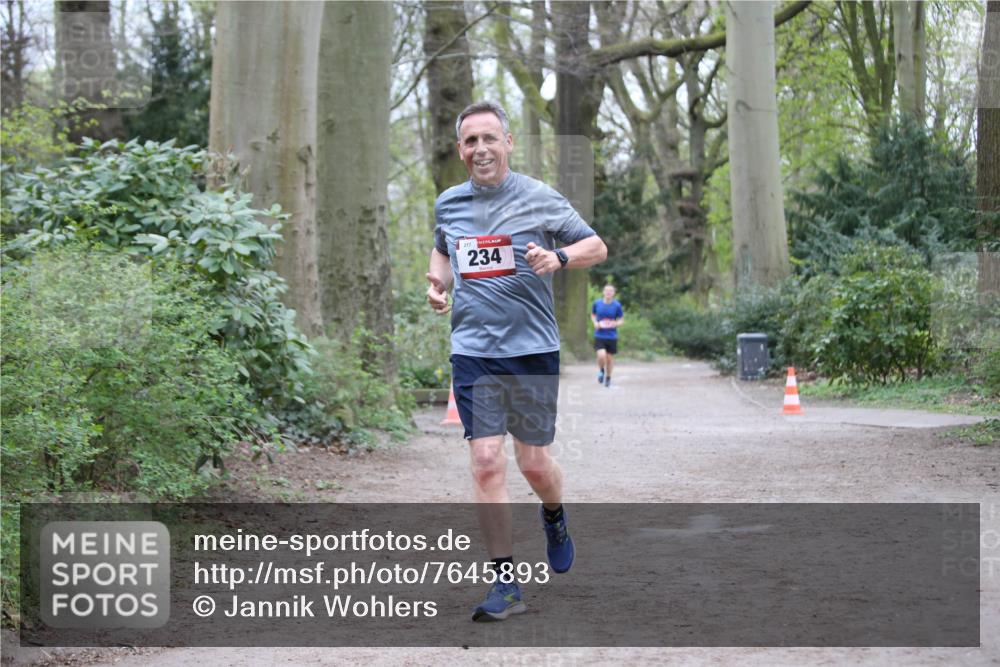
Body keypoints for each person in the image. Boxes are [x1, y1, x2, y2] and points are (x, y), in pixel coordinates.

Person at [426, 101, 607, 621]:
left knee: (532, 463)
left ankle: (554, 514)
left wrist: (560, 257)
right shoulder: (450, 203)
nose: (480, 149)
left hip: (530, 349)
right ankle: (505, 583)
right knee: (486, 462)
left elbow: (596, 244)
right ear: (460, 150)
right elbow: (443, 250)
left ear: (508, 143)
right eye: (469, 141)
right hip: (473, 352)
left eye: (489, 138)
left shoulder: (539, 197)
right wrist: (438, 284)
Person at [592, 284, 624, 387]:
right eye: (606, 290)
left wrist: (615, 324)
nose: (608, 292)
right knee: (601, 355)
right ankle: (601, 370)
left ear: (614, 293)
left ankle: (608, 377)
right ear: (603, 292)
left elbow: (621, 320)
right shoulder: (597, 303)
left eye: (610, 291)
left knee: (609, 358)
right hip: (599, 335)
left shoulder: (617, 305)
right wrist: (595, 323)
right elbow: (593, 315)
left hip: (611, 336)